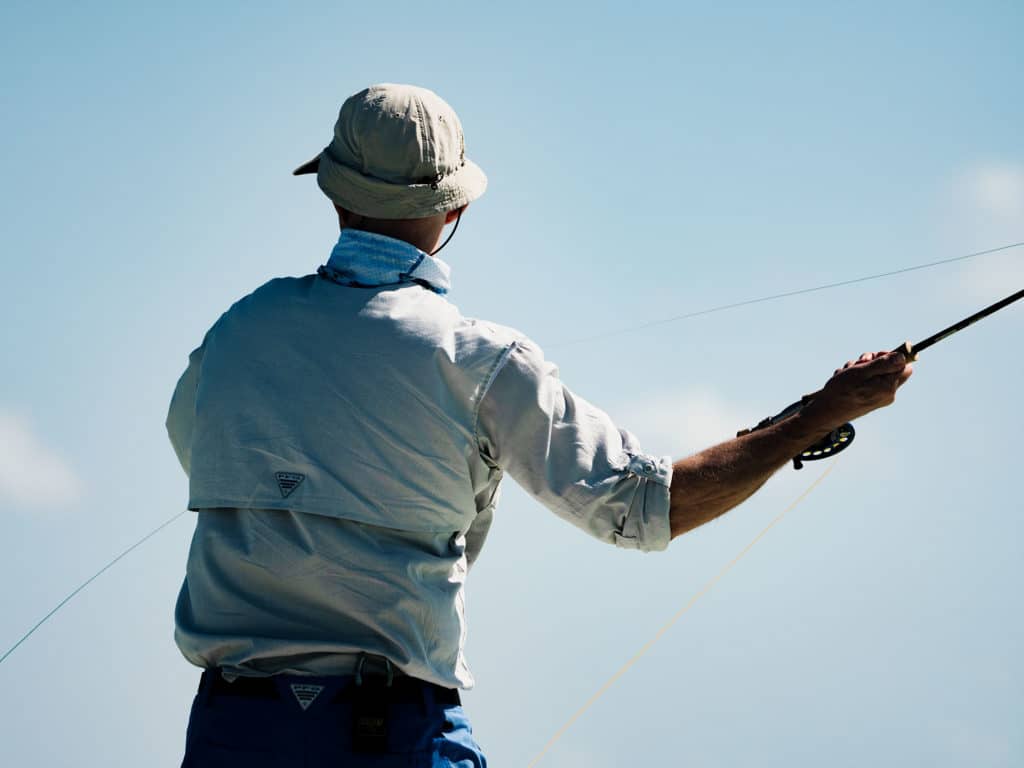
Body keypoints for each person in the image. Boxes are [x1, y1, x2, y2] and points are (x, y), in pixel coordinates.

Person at [166, 83, 913, 767]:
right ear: (455, 210)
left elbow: (194, 448)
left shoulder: (238, 331)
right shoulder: (479, 360)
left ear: (332, 197)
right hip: (390, 735)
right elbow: (647, 510)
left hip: (232, 732)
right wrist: (822, 413)